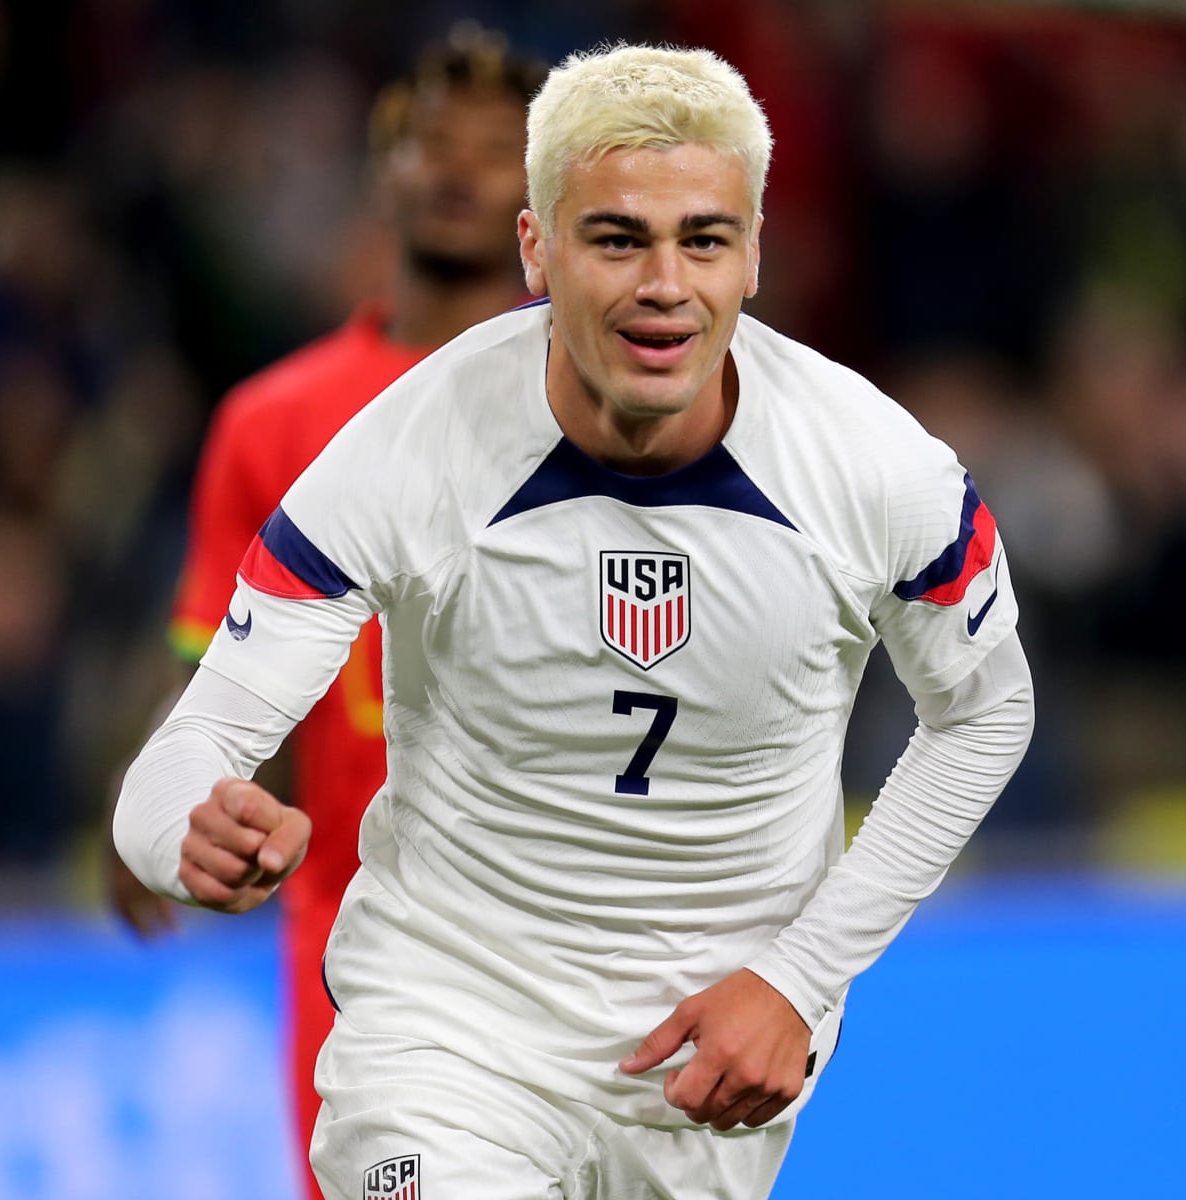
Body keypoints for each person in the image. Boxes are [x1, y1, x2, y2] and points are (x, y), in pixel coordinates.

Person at [116, 43, 1034, 1199]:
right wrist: (180, 831)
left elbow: (989, 710)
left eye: (704, 238)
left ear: (755, 254)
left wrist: (803, 979)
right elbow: (195, 745)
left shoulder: (878, 469)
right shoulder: (408, 450)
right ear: (536, 250)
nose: (665, 283)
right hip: (449, 1031)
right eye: (616, 239)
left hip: (708, 1059)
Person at [105, 27, 545, 1199]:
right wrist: (161, 796)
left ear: (539, 192)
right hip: (358, 934)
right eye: (426, 145)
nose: (455, 170)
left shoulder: (598, 402)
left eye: (494, 150)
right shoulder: (271, 421)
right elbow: (215, 673)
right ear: (381, 174)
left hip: (566, 917)